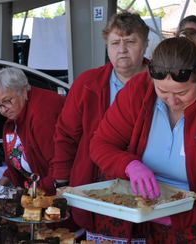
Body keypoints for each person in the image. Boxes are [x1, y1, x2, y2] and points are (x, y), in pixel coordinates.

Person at [90, 37, 196, 243]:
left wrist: (179, 216)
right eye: (162, 91)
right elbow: (101, 144)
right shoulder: (138, 89)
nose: (172, 101)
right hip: (148, 209)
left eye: (182, 92)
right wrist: (129, 164)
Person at [52, 11, 150, 242]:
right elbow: (66, 135)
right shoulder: (87, 83)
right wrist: (62, 180)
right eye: (115, 43)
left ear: (145, 45)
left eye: (130, 42)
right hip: (94, 183)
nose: (122, 49)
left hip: (147, 182)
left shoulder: (162, 81)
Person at [0, 67, 64, 195]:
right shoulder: (18, 113)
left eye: (7, 101)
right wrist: (7, 176)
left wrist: (32, 194)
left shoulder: (42, 114)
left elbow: (60, 167)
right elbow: (22, 153)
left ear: (23, 91)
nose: (3, 110)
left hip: (53, 193)